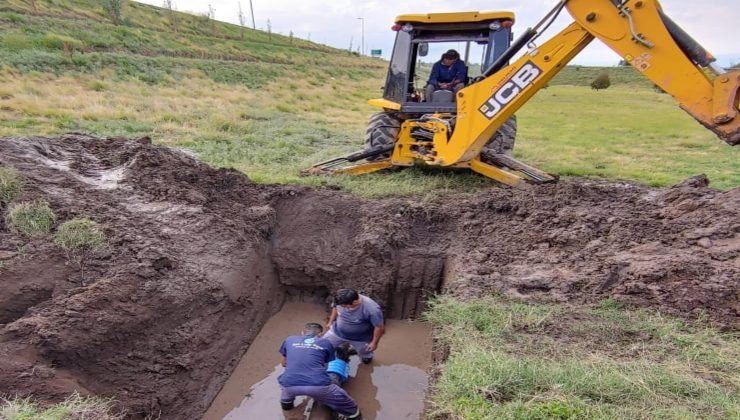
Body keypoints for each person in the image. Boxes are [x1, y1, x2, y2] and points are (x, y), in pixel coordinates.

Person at [278, 322, 362, 419]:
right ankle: (355, 416)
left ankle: (286, 404)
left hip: (288, 384)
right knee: (350, 406)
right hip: (318, 386)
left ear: (302, 333)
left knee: (286, 392)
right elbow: (325, 367)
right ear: (320, 335)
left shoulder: (289, 339)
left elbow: (284, 363)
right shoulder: (325, 343)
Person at [324, 289, 385, 364]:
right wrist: (330, 322)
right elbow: (335, 307)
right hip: (337, 331)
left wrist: (374, 343)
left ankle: (365, 356)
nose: (343, 308)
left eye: (345, 306)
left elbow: (379, 327)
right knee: (324, 346)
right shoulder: (340, 299)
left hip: (361, 338)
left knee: (365, 354)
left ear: (355, 302)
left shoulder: (372, 309)